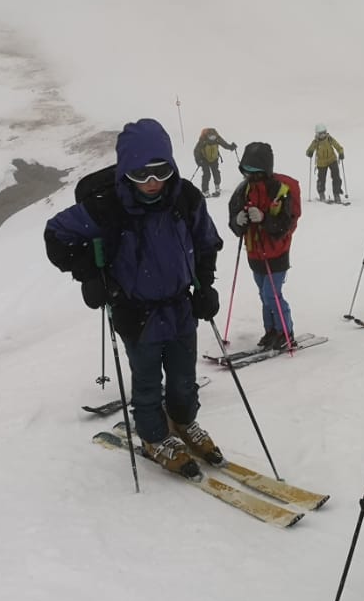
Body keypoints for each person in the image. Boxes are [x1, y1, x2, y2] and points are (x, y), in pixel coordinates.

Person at [43, 118, 226, 478]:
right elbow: (56, 235)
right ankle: (155, 438)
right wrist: (89, 275)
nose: (152, 182)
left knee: (183, 379)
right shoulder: (107, 205)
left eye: (160, 171)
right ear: (126, 171)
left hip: (180, 306)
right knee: (146, 381)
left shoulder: (185, 198)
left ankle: (184, 423)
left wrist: (205, 286)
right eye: (140, 174)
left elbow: (206, 244)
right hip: (135, 311)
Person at [228, 141, 302, 350]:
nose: (251, 176)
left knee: (272, 294)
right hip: (254, 253)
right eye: (247, 171)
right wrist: (238, 221)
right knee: (264, 295)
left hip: (276, 252)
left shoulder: (280, 190)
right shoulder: (244, 189)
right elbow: (233, 218)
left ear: (266, 169)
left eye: (256, 171)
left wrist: (263, 218)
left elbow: (285, 223)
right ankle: (271, 331)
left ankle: (285, 333)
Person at [305, 123, 346, 202]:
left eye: (324, 133)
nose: (323, 135)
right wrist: (310, 152)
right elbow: (309, 150)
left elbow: (337, 146)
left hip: (332, 160)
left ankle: (336, 194)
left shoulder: (329, 139)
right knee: (321, 179)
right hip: (321, 163)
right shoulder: (315, 142)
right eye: (321, 134)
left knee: (336, 177)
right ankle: (321, 193)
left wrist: (341, 152)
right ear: (317, 134)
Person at [192, 126, 237, 197]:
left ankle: (217, 187)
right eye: (211, 137)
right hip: (204, 160)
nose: (213, 138)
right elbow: (196, 151)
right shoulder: (203, 140)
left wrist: (231, 147)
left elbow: (224, 144)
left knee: (216, 173)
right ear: (207, 136)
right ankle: (205, 191)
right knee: (206, 174)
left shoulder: (217, 139)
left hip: (214, 159)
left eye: (214, 137)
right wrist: (198, 160)